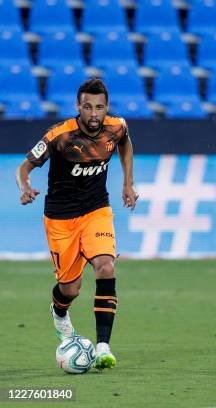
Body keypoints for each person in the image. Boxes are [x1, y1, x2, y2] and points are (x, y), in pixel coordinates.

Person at [15, 78, 138, 370]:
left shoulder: (117, 126)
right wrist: (25, 187)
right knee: (70, 288)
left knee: (106, 265)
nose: (93, 113)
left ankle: (104, 346)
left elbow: (125, 142)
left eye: (99, 107)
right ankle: (59, 312)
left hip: (97, 209)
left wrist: (127, 183)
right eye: (87, 107)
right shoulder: (60, 135)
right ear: (78, 107)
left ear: (107, 107)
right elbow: (24, 167)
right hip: (60, 218)